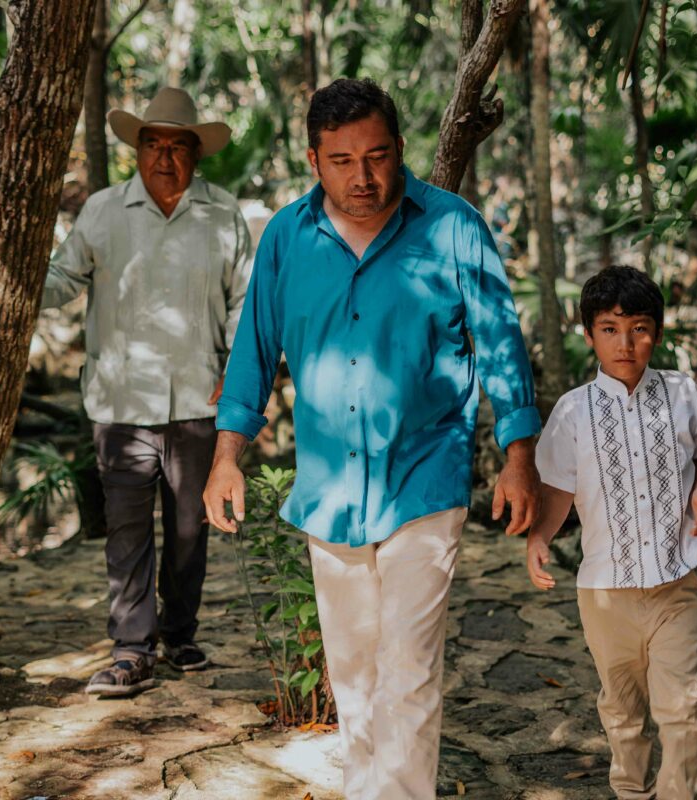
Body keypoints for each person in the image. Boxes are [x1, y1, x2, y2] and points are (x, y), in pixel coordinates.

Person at [203, 78, 541, 799]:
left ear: (401, 149)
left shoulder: (452, 227)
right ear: (313, 160)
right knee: (353, 680)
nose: (365, 176)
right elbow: (253, 353)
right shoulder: (288, 239)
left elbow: (501, 344)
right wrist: (225, 456)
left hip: (425, 477)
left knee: (410, 672)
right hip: (328, 490)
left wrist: (518, 457)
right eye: (343, 160)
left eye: (379, 155)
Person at [42, 87, 253, 697]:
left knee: (191, 529)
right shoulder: (104, 212)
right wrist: (15, 274)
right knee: (127, 530)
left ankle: (180, 631)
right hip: (119, 402)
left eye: (178, 146)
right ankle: (133, 647)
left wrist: (235, 367)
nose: (165, 157)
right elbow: (61, 278)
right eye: (154, 144)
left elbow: (245, 300)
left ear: (196, 155)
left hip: (197, 402)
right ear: (137, 150)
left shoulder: (223, 214)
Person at [527, 265, 697, 800]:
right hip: (605, 591)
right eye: (610, 329)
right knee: (622, 711)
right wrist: (540, 537)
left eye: (639, 328)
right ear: (589, 334)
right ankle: (632, 793)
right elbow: (559, 492)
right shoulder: (571, 412)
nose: (626, 343)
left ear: (657, 333)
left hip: (675, 584)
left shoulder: (683, 394)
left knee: (683, 707)